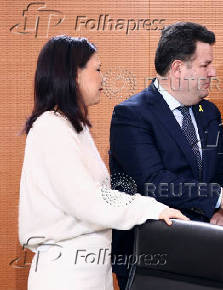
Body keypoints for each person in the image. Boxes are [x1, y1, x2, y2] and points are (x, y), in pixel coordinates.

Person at [19, 35, 188, 290]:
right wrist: (150, 208)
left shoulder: (72, 127)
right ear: (73, 74)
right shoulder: (50, 128)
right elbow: (89, 200)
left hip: (91, 272)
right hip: (66, 276)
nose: (103, 78)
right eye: (97, 69)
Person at [109, 22, 223, 289]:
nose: (213, 72)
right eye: (205, 65)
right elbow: (154, 183)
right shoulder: (131, 115)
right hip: (154, 259)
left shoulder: (209, 113)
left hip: (212, 251)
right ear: (178, 68)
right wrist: (219, 198)